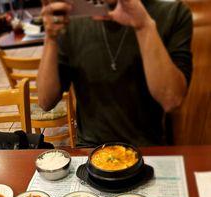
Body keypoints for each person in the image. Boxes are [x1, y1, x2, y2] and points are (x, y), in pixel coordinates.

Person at [37, 0, 193, 147]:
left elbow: (171, 99)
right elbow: (46, 100)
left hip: (148, 148)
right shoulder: (74, 18)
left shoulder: (172, 13)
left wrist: (144, 26)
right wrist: (51, 37)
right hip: (91, 148)